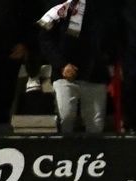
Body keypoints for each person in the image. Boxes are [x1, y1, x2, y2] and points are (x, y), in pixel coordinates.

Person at [39, 0, 112, 132]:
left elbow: (113, 34)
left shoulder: (103, 5)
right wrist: (61, 64)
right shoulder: (58, 4)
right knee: (65, 117)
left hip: (94, 73)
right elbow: (45, 38)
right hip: (65, 73)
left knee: (95, 125)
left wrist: (105, 58)